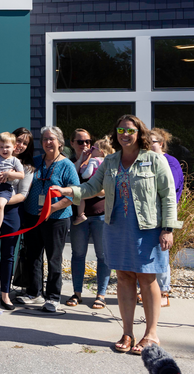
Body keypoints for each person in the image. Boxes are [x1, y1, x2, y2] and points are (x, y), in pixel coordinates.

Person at [56, 115, 179, 354]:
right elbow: (91, 188)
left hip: (148, 229)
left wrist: (168, 229)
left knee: (147, 278)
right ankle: (128, 332)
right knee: (123, 277)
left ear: (139, 133)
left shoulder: (154, 160)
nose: (125, 134)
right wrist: (67, 190)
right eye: (120, 130)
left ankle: (151, 334)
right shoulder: (110, 161)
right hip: (116, 227)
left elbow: (168, 196)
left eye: (130, 130)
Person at [16, 126, 79, 312]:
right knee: (33, 256)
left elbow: (75, 194)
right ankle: (34, 293)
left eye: (51, 139)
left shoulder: (67, 165)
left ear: (60, 142)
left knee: (53, 258)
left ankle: (53, 297)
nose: (47, 142)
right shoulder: (35, 162)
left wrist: (52, 208)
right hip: (32, 217)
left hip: (56, 218)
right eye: (44, 139)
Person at [0, 127, 35, 310]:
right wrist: (0, 179)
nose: (20, 145)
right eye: (18, 140)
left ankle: (5, 294)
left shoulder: (26, 167)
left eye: (25, 143)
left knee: (8, 255)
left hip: (11, 212)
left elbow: (23, 194)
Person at [67, 130, 112, 310]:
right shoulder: (72, 163)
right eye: (81, 142)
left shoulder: (105, 163)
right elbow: (72, 183)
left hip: (101, 215)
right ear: (72, 143)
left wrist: (88, 190)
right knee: (78, 255)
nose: (85, 145)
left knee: (103, 256)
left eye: (88, 142)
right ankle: (77, 292)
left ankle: (101, 294)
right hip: (80, 217)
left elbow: (104, 189)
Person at [149, 127, 184, 308]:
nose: (148, 145)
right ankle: (147, 290)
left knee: (161, 251)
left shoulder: (170, 162)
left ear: (161, 144)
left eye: (152, 142)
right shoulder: (144, 161)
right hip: (146, 215)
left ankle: (163, 290)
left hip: (163, 214)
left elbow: (173, 188)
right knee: (146, 254)